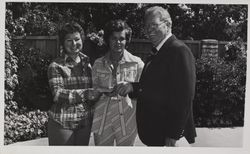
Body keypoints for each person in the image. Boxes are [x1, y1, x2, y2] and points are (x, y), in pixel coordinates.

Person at [116, 6, 197, 146]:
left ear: (168, 25)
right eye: (146, 26)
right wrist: (132, 87)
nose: (148, 30)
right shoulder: (159, 51)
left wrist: (173, 135)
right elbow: (158, 86)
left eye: (154, 25)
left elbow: (184, 97)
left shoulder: (179, 50)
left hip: (169, 136)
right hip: (156, 133)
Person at [91, 19, 144, 146]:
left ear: (127, 40)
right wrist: (98, 92)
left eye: (121, 38)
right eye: (114, 38)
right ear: (108, 40)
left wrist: (131, 88)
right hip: (102, 121)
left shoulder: (137, 64)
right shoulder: (98, 64)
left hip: (128, 120)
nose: (118, 42)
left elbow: (144, 91)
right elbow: (92, 92)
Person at [47, 22, 101, 145]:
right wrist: (86, 94)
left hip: (85, 122)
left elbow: (94, 88)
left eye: (77, 39)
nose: (74, 44)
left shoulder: (88, 63)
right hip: (62, 121)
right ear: (63, 43)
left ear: (82, 40)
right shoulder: (55, 66)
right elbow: (57, 94)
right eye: (69, 40)